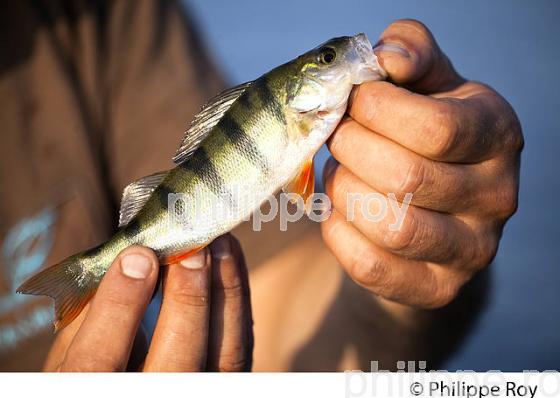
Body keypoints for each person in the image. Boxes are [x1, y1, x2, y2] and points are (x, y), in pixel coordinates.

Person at [0, 1, 522, 371]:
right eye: (326, 59)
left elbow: (287, 321)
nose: (341, 57)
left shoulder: (100, 15)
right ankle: (86, 272)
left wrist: (428, 235)